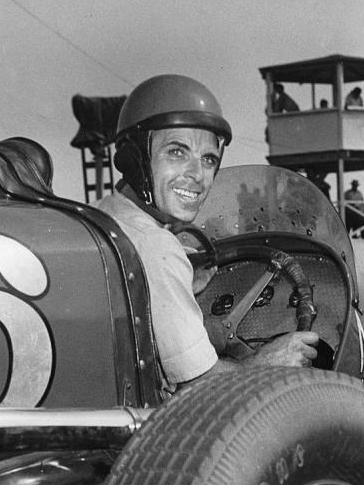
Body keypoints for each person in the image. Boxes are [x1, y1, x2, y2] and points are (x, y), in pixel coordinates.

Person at [102, 74, 318, 390]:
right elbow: (200, 386)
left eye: (208, 159)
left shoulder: (105, 215)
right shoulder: (154, 245)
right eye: (176, 152)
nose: (198, 175)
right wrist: (268, 362)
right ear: (133, 159)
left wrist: (191, 298)